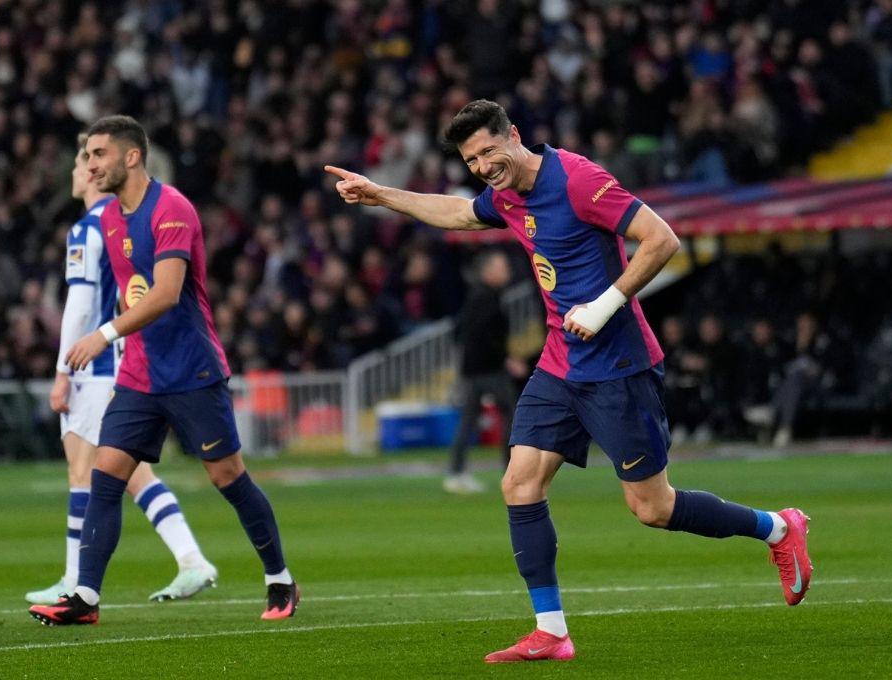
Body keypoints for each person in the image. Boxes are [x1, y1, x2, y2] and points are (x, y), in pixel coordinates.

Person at [325, 99, 813, 663]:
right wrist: (380, 194)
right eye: (471, 160)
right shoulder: (506, 194)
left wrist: (604, 306)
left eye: (488, 151)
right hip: (560, 364)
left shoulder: (578, 179)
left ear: (514, 135)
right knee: (519, 483)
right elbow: (458, 213)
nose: (482, 166)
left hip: (618, 368)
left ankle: (778, 529)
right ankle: (551, 631)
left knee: (653, 508)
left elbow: (661, 239)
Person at [28, 115, 298, 626]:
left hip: (191, 370)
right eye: (87, 157)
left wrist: (104, 335)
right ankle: (84, 597)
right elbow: (128, 292)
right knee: (106, 474)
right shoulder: (110, 219)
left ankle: (279, 579)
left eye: (99, 154)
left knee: (227, 476)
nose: (89, 165)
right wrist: (118, 339)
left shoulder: (171, 207)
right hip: (139, 375)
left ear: (132, 156)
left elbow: (167, 293)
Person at [25, 133, 218, 606]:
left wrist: (62, 370)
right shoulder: (122, 224)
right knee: (124, 474)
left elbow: (80, 305)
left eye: (85, 161)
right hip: (122, 359)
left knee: (87, 472)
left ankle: (77, 581)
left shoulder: (88, 229)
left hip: (93, 365)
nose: (78, 170)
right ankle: (189, 560)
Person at [445, 249, 525, 494]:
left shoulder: (480, 295)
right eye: (502, 267)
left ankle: (456, 472)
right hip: (488, 369)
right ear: (488, 271)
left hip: (474, 369)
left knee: (469, 420)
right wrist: (506, 358)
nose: (507, 271)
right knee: (513, 415)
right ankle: (511, 471)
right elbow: (484, 335)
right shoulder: (485, 297)